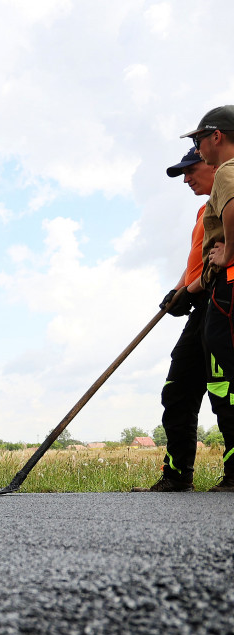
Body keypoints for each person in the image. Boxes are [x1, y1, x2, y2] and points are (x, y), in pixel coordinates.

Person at [133, 147, 217, 491]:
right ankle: (177, 475)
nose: (186, 178)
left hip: (224, 301)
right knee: (178, 389)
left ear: (213, 163)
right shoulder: (204, 210)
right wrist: (178, 290)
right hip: (201, 304)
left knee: (226, 390)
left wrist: (194, 287)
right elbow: (198, 259)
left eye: (190, 169)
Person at [183, 106, 234, 491]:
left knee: (227, 378)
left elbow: (232, 208)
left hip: (228, 288)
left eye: (199, 138)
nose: (198, 147)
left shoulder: (228, 171)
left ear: (217, 135)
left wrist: (228, 251)